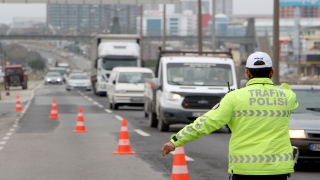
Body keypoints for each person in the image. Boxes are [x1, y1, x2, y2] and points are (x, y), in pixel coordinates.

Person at [161, 52, 299, 180]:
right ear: (272, 72)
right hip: (278, 169)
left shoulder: (234, 97)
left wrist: (175, 140)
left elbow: (206, 122)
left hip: (245, 168)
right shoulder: (287, 96)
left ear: (247, 73)